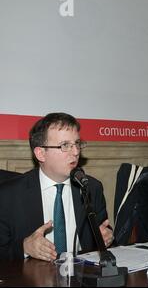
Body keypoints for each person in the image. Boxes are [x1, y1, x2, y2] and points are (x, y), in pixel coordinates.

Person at [0, 112, 113, 261]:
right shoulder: (8, 195)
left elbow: (102, 230)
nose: (76, 152)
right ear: (41, 153)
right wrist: (24, 247)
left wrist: (106, 237)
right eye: (65, 145)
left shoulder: (91, 187)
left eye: (77, 144)